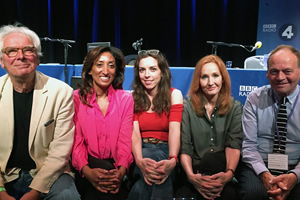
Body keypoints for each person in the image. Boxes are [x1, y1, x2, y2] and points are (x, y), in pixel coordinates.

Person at [0, 24, 80, 200]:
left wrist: (35, 192)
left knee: (67, 197)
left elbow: (60, 150)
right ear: (2, 61)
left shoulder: (61, 92)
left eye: (28, 50)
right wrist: (0, 191)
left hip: (47, 172)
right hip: (5, 175)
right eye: (12, 51)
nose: (21, 56)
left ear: (37, 58)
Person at [237, 44, 300, 200]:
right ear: (267, 74)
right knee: (253, 194)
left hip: (296, 165)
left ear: (298, 72)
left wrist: (294, 176)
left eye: (287, 71)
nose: (280, 77)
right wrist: (265, 174)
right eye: (274, 72)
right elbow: (249, 146)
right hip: (259, 164)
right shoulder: (254, 98)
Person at [71, 46, 134, 200]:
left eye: (111, 66)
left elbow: (125, 140)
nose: (105, 71)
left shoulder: (125, 99)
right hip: (86, 166)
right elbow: (76, 141)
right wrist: (87, 171)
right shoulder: (76, 98)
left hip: (115, 167)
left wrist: (121, 171)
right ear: (90, 70)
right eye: (99, 65)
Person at [177, 54, 243, 200]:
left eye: (215, 75)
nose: (210, 82)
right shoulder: (187, 106)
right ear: (198, 81)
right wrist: (191, 177)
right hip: (195, 171)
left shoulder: (235, 107)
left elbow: (234, 144)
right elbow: (185, 146)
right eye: (204, 77)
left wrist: (228, 174)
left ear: (223, 78)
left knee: (229, 194)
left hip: (222, 171)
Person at [128, 49, 183, 200]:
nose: (147, 75)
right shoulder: (132, 98)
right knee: (156, 161)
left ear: (163, 72)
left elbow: (174, 130)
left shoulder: (174, 95)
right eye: (142, 70)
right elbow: (135, 134)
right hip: (141, 151)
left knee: (142, 187)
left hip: (167, 150)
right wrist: (139, 161)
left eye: (152, 69)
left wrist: (172, 159)